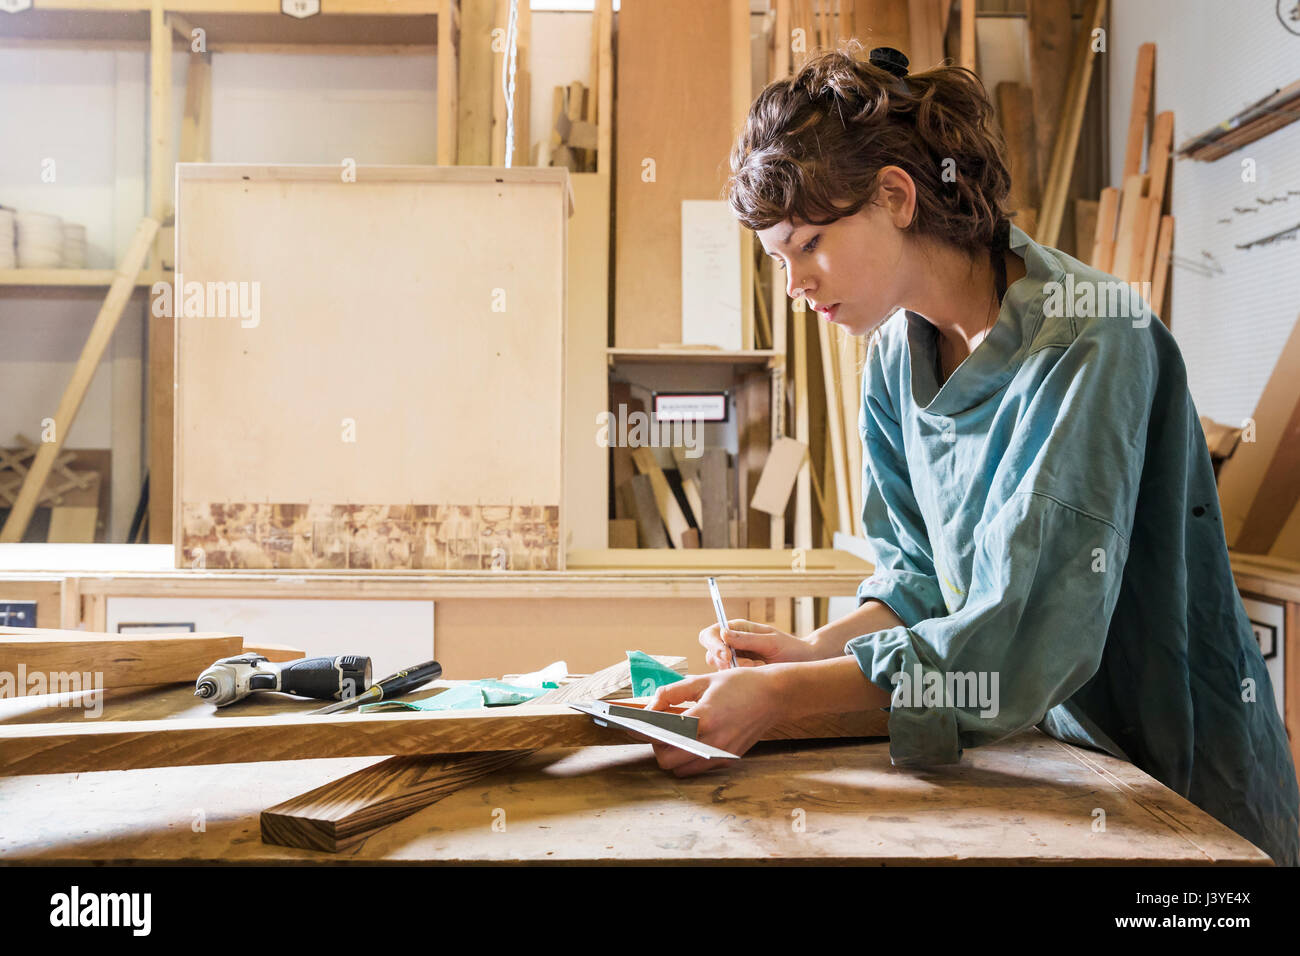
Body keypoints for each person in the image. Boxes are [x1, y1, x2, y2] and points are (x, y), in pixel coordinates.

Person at [645, 44, 1300, 867]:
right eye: (779, 259)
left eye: (808, 244)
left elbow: (1017, 640)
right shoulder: (892, 358)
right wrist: (814, 651)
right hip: (1040, 761)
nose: (795, 285)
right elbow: (917, 581)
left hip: (1176, 779)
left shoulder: (1093, 336)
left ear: (895, 194)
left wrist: (780, 698)